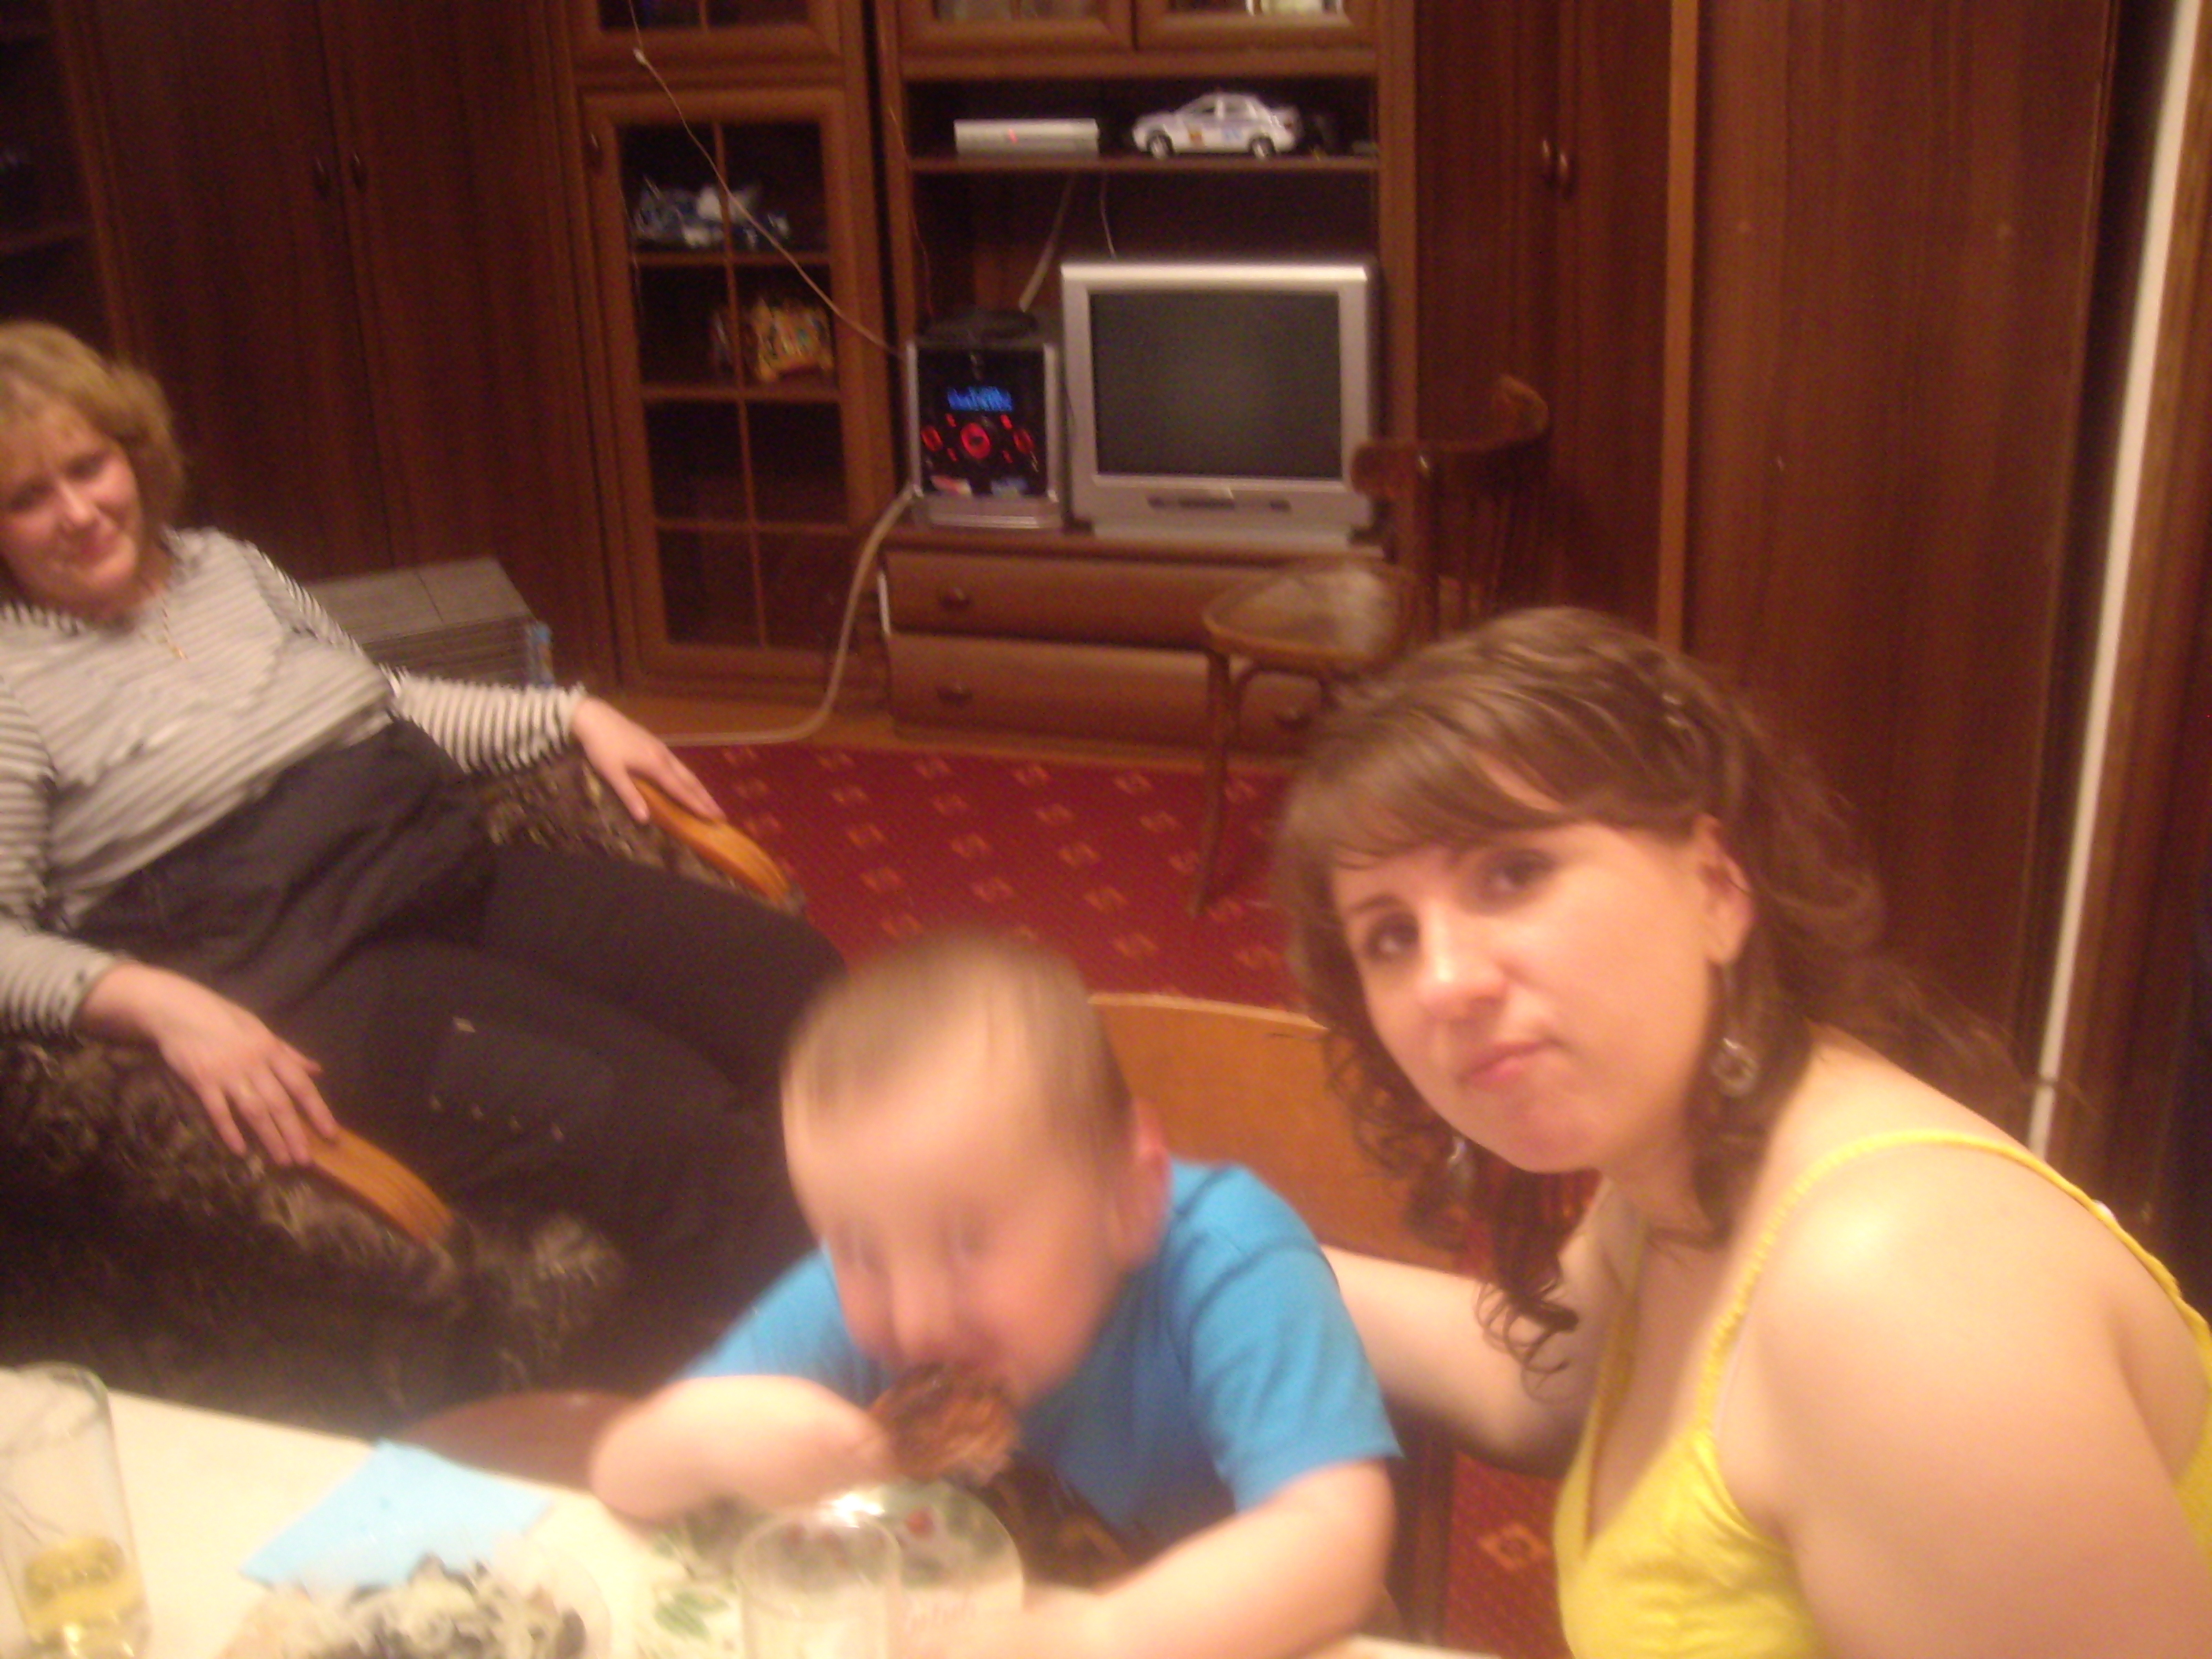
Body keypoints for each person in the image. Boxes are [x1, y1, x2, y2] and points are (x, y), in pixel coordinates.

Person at [1273, 606, 2212, 1658]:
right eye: (1390, 936)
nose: (1444, 983)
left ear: (1717, 888)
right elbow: (1533, 1380)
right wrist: (1217, 1247)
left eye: (1513, 874)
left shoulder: (1899, 1299)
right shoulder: (1687, 1153)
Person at [0, 320, 839, 1330]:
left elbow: (382, 697)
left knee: (799, 988)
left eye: (88, 467)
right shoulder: (11, 685)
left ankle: (919, 1252)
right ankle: (858, 1371)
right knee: (668, 1124)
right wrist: (158, 1004)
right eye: (26, 498)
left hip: (442, 870)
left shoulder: (226, 568)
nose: (79, 512)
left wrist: (570, 714)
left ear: (132, 454)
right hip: (309, 976)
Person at [589, 929, 1397, 1659]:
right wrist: (703, 1435)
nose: (914, 1319)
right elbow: (620, 1473)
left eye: (967, 1242)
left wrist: (1096, 1637)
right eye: (857, 1249)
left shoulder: (1229, 1262)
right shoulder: (858, 1292)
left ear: (1129, 1201)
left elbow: (1335, 1540)